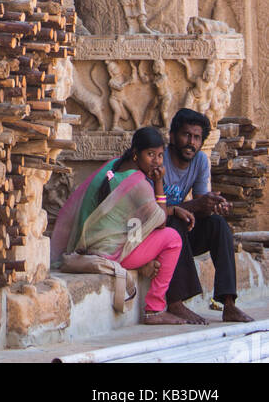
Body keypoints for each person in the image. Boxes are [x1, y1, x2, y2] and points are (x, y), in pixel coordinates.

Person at [51, 126, 194, 325]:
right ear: (136, 154)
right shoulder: (139, 184)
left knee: (139, 225)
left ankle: (144, 265)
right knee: (172, 238)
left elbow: (135, 222)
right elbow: (160, 221)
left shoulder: (113, 166)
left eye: (160, 156)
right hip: (111, 253)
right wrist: (159, 183)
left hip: (91, 246)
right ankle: (154, 309)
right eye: (150, 154)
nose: (156, 161)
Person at [162, 107, 253, 324]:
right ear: (172, 136)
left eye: (196, 137)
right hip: (156, 229)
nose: (191, 142)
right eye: (186, 135)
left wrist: (213, 205)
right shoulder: (160, 159)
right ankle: (175, 303)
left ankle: (229, 304)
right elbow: (153, 209)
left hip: (182, 231)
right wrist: (196, 204)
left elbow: (200, 207)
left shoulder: (201, 161)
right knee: (174, 222)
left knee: (217, 224)